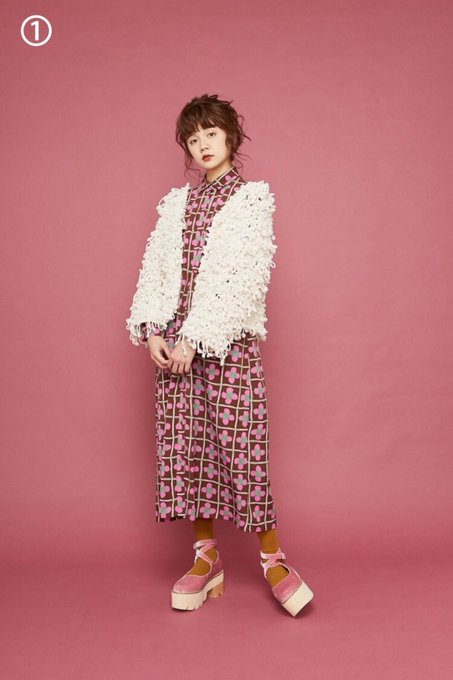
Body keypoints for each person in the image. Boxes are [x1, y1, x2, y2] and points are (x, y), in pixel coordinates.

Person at [126, 93, 313, 616]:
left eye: (211, 132)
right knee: (188, 451)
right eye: (193, 138)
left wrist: (198, 336)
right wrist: (153, 330)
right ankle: (206, 559)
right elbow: (156, 271)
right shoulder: (176, 204)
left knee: (241, 450)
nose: (202, 144)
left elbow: (246, 278)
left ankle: (273, 560)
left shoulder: (252, 200)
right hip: (175, 352)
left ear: (232, 135)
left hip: (224, 346)